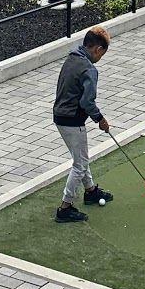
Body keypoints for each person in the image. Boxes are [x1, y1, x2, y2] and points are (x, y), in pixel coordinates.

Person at [52, 27, 112, 224]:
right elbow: (87, 102)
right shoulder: (89, 69)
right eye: (102, 53)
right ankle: (65, 206)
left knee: (82, 158)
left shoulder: (71, 58)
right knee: (80, 164)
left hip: (60, 115)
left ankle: (91, 190)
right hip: (72, 120)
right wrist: (100, 119)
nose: (101, 57)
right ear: (97, 49)